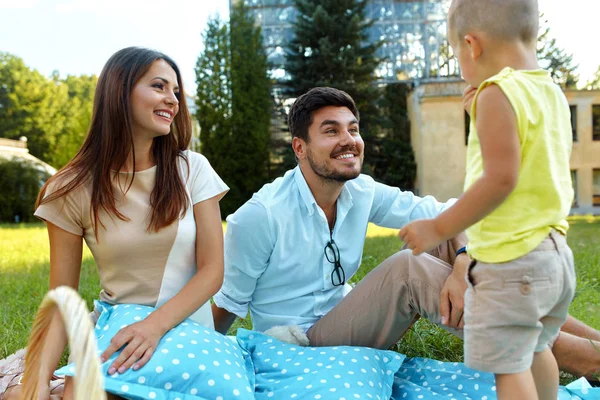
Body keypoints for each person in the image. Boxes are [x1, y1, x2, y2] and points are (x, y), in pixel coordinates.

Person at [212, 86, 599, 385]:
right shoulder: (260, 217)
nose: (348, 140)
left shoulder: (360, 190)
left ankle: (592, 343)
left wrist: (463, 257)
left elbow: (443, 215)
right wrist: (199, 360)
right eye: (331, 131)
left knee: (446, 234)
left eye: (353, 129)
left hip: (349, 316)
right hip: (301, 343)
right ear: (299, 147)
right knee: (408, 269)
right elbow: (227, 305)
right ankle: (588, 361)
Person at [6, 47, 228, 400]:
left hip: (185, 328)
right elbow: (62, 300)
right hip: (118, 329)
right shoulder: (71, 188)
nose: (172, 100)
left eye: (176, 91)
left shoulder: (192, 169)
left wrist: (153, 326)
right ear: (119, 91)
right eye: (159, 86)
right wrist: (34, 381)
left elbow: (212, 271)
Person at [399, 0, 576, 398]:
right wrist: (482, 110)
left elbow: (500, 179)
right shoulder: (548, 91)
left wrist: (438, 227)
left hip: (512, 263)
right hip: (553, 257)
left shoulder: (499, 94)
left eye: (457, 54)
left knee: (506, 367)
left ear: (472, 45)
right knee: (535, 349)